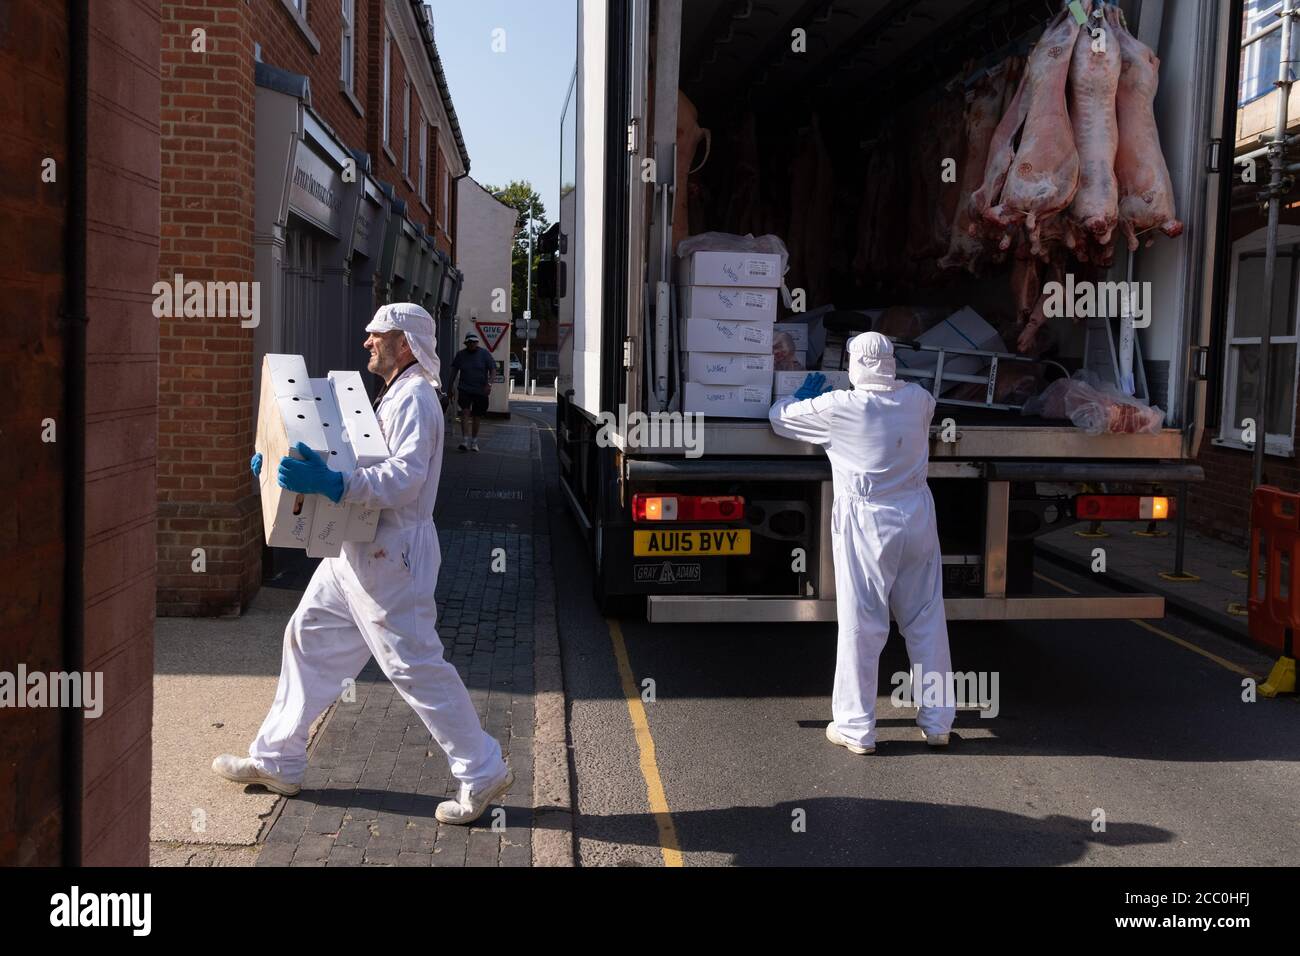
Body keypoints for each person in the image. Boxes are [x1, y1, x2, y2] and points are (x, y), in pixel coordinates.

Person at [213, 303, 513, 824]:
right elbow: (356, 457)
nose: (366, 341)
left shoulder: (416, 397)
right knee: (306, 637)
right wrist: (282, 464)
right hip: (359, 549)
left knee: (414, 666)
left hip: (391, 556)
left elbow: (404, 479)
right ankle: (278, 757)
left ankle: (482, 769)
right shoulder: (394, 392)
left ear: (404, 342)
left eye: (377, 334)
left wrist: (334, 485)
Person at [768, 332, 955, 755]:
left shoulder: (839, 408)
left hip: (868, 521)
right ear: (891, 362)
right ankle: (938, 720)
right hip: (917, 514)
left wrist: (798, 395)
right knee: (926, 619)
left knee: (863, 623)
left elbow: (780, 419)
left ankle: (855, 727)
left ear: (854, 365)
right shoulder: (919, 400)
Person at [447, 332, 496, 452]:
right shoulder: (460, 355)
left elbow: (493, 369)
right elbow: (454, 371)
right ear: (466, 343)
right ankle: (465, 440)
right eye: (470, 342)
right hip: (464, 388)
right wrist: (450, 387)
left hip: (480, 390)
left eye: (474, 342)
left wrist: (489, 384)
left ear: (477, 343)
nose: (472, 344)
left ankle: (474, 441)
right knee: (465, 412)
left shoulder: (484, 354)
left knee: (476, 416)